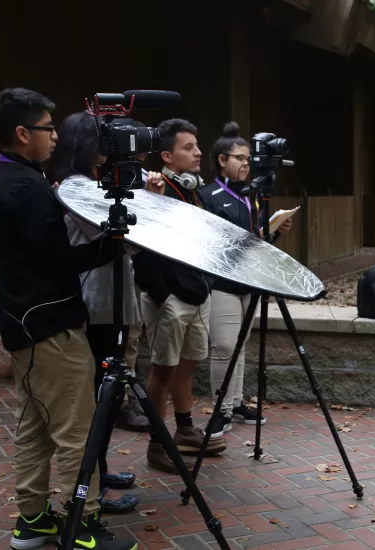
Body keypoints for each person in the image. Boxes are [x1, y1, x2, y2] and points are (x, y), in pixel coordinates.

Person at [0, 89, 136, 550]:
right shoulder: (26, 189)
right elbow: (57, 261)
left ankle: (33, 520)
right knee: (75, 429)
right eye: (47, 127)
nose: (54, 135)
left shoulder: (5, 179)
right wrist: (109, 244)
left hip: (22, 327)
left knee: (34, 425)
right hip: (51, 327)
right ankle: (82, 524)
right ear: (22, 133)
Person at [49, 112, 165, 514]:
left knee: (107, 397)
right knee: (100, 398)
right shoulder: (72, 188)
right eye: (102, 141)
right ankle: (91, 484)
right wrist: (149, 204)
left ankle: (99, 469)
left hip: (116, 300)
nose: (107, 149)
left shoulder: (97, 183)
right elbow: (118, 238)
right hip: (97, 305)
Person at [133, 118, 226, 473]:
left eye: (198, 145)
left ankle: (185, 429)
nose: (199, 152)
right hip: (169, 296)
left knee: (188, 364)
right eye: (189, 148)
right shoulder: (154, 192)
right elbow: (140, 246)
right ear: (167, 156)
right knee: (163, 369)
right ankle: (158, 445)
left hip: (197, 292)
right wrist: (161, 295)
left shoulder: (193, 191)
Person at [200, 122, 292, 435]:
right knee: (224, 346)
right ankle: (220, 410)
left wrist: (274, 232)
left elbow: (256, 242)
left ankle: (237, 403)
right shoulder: (207, 195)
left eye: (248, 158)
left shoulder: (252, 196)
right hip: (222, 282)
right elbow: (214, 243)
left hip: (249, 281)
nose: (245, 163)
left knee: (240, 346)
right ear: (221, 160)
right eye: (238, 158)